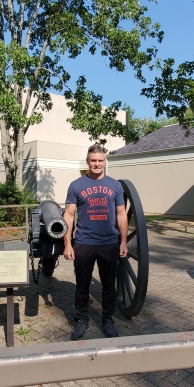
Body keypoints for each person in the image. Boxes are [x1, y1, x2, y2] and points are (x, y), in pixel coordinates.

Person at [63, 144, 128, 340]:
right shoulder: (76, 185)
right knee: (82, 286)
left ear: (104, 161)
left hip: (109, 243)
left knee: (109, 286)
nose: (97, 164)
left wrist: (123, 241)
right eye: (93, 161)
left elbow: (121, 214)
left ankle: (107, 320)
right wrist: (67, 244)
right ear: (88, 161)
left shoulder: (115, 185)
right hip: (84, 243)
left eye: (100, 160)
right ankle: (81, 320)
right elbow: (68, 214)